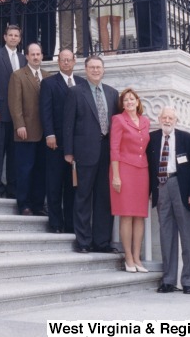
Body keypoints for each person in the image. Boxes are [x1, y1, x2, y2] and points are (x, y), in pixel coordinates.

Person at [63, 56, 119, 253]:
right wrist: (68, 151)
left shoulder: (113, 93)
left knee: (105, 198)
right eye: (92, 67)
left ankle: (102, 242)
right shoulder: (75, 92)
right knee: (83, 196)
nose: (95, 70)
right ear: (86, 70)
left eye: (98, 67)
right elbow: (68, 124)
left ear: (103, 70)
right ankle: (84, 242)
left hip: (107, 152)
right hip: (84, 151)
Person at [147, 106, 190, 294]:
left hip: (182, 187)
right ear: (159, 119)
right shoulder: (152, 139)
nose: (167, 121)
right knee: (166, 235)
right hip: (162, 187)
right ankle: (168, 280)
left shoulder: (186, 138)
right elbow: (148, 166)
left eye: (171, 118)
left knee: (188, 236)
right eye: (164, 117)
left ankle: (188, 281)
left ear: (176, 121)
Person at [40, 50, 85, 233]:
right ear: (58, 62)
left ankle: (70, 224)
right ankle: (56, 223)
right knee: (55, 183)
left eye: (69, 60)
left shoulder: (82, 83)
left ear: (74, 61)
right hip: (56, 142)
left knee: (72, 184)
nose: (66, 63)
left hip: (76, 143)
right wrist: (49, 134)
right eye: (62, 60)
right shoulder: (49, 83)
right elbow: (45, 111)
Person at [110, 87, 151, 272]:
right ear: (122, 104)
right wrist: (116, 176)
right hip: (124, 170)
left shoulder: (145, 121)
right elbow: (114, 149)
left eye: (132, 99)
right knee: (126, 214)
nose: (129, 102)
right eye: (125, 100)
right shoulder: (118, 120)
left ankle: (137, 257)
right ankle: (128, 257)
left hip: (142, 171)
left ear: (137, 101)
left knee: (140, 215)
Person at [8, 42, 51, 216]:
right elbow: (14, 102)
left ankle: (38, 204)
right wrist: (20, 125)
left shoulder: (48, 76)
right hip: (25, 131)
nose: (35, 57)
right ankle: (24, 204)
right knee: (25, 170)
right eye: (32, 54)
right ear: (26, 56)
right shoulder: (18, 75)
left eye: (38, 54)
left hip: (44, 132)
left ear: (42, 56)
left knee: (41, 171)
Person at [0, 24, 26, 198]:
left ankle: (11, 187)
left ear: (19, 38)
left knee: (14, 152)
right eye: (11, 35)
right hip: (0, 110)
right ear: (5, 37)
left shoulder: (23, 58)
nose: (14, 38)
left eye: (16, 35)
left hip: (17, 114)